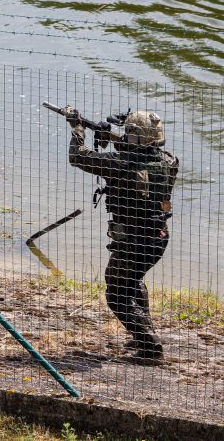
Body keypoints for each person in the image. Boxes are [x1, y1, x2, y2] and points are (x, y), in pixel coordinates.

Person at [65, 107, 178, 361]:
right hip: (158, 237)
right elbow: (143, 155)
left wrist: (78, 127)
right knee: (133, 281)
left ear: (134, 137)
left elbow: (78, 156)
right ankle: (143, 335)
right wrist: (115, 137)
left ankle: (150, 347)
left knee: (116, 293)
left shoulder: (120, 164)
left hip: (132, 240)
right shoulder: (170, 160)